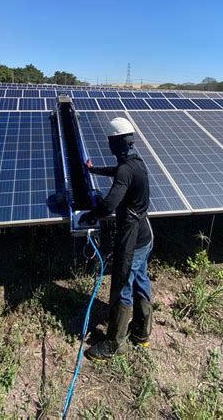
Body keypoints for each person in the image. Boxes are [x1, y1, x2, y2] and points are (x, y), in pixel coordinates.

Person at [79, 117, 154, 361]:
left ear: (116, 143)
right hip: (145, 235)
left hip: (131, 239)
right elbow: (119, 174)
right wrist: (94, 170)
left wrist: (91, 215)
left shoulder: (126, 169)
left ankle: (114, 344)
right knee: (140, 279)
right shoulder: (137, 163)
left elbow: (110, 204)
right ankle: (142, 333)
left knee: (122, 285)